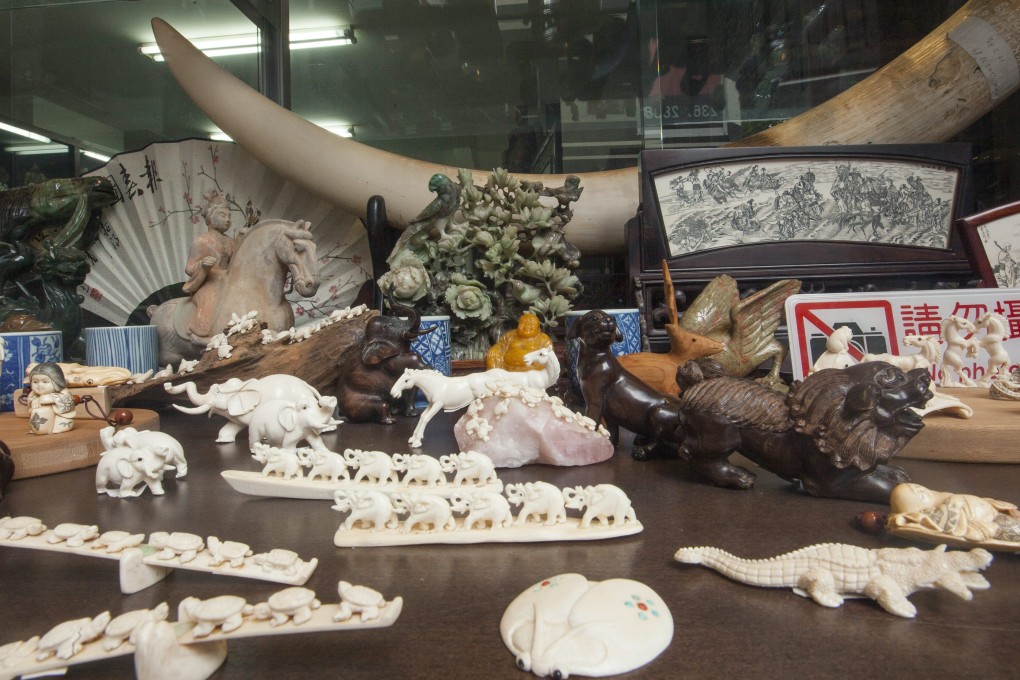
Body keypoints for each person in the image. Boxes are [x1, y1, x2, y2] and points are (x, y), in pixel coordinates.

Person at [889, 483, 1020, 545]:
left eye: (916, 486)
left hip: (994, 510)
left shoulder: (939, 496)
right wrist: (953, 502)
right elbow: (949, 518)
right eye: (920, 494)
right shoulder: (932, 515)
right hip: (985, 521)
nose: (921, 489)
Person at [184, 190, 236, 338]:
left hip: (229, 281)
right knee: (211, 300)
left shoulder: (231, 241)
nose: (227, 220)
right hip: (210, 282)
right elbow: (189, 268)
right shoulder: (201, 241)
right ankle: (203, 333)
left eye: (229, 216)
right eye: (222, 215)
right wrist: (203, 265)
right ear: (211, 218)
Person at [486, 312, 553, 372]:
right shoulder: (510, 335)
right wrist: (494, 350)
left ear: (538, 329)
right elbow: (500, 345)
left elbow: (550, 356)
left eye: (531, 324)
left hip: (532, 374)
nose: (527, 326)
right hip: (508, 372)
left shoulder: (543, 339)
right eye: (523, 323)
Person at [25, 362, 76, 435]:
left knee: (59, 426)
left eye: (45, 382)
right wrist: (34, 401)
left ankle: (51, 429)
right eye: (35, 382)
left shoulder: (64, 392)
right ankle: (38, 429)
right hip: (38, 420)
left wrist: (53, 399)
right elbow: (30, 408)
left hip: (59, 420)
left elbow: (69, 404)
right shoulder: (32, 394)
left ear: (57, 381)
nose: (39, 385)